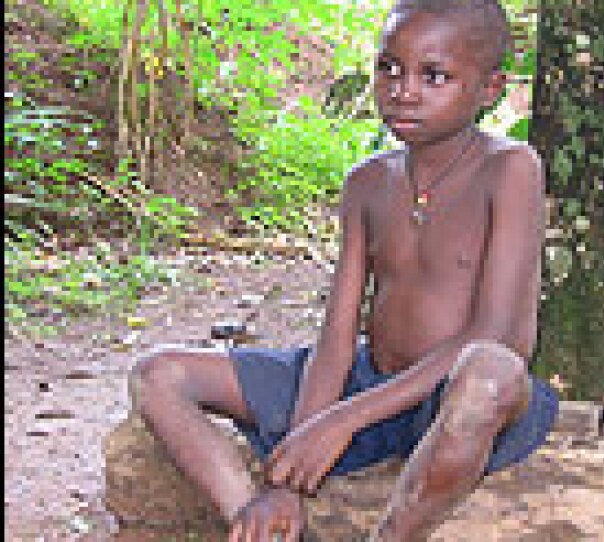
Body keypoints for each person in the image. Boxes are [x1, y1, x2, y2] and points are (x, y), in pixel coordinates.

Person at [130, 0, 559, 540]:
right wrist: (292, 470)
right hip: (366, 379)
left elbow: (500, 335)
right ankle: (261, 522)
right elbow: (337, 336)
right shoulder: (368, 182)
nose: (404, 90)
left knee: (488, 375)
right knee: (158, 375)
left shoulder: (511, 169)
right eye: (390, 68)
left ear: (490, 89)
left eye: (435, 75)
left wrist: (342, 421)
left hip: (452, 396)